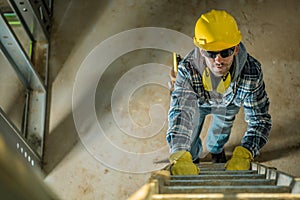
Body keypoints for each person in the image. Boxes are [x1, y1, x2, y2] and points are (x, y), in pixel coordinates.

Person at [166, 9, 272, 175]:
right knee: (190, 133)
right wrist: (180, 153)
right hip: (198, 104)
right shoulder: (187, 70)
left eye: (225, 51)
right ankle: (192, 157)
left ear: (236, 49)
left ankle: (216, 150)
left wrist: (246, 152)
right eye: (211, 52)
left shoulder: (251, 73)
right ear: (201, 50)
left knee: (221, 130)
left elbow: (260, 119)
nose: (218, 60)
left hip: (229, 105)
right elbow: (181, 114)